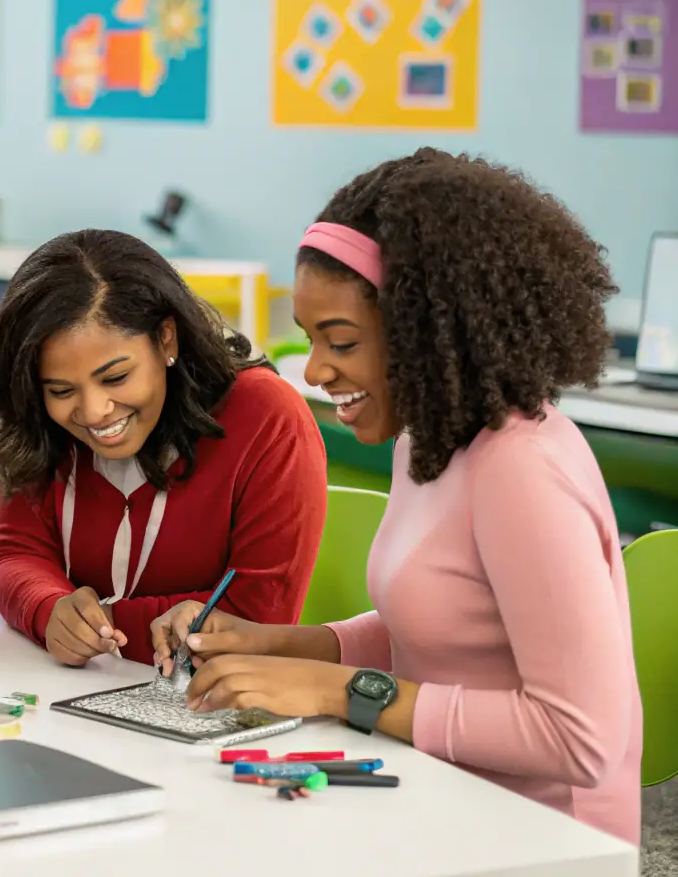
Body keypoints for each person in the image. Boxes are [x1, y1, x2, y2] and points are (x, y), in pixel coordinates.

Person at [153, 149, 642, 844]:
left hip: (542, 839)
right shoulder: (430, 435)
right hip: (440, 794)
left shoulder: (522, 472)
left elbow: (580, 741)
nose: (315, 370)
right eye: (308, 338)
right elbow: (444, 629)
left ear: (429, 336)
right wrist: (281, 645)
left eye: (341, 342)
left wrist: (335, 692)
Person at [0, 230, 327, 667]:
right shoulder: (42, 420)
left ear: (166, 339)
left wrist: (103, 622)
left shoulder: (268, 417)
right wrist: (48, 608)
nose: (94, 411)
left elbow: (260, 615)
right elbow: (15, 552)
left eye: (116, 378)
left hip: (208, 706)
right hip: (78, 696)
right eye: (62, 389)